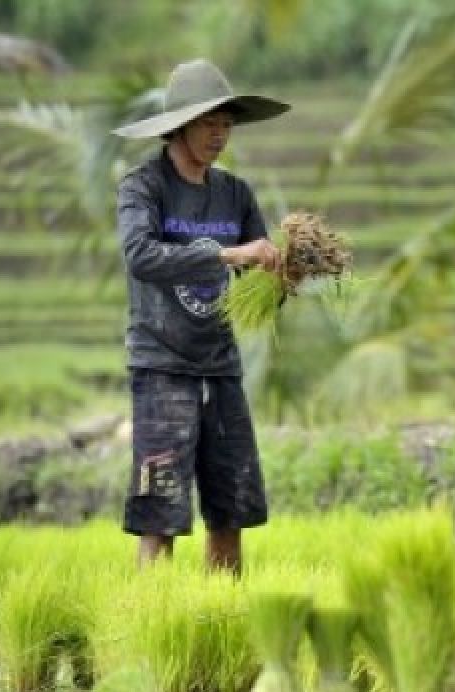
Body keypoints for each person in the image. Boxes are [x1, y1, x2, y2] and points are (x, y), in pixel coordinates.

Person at [113, 59, 290, 575]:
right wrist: (227, 254)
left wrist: (283, 273)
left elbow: (258, 285)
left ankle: (223, 626)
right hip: (162, 365)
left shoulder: (236, 193)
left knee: (230, 509)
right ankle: (153, 626)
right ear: (180, 126)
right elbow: (140, 256)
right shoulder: (143, 187)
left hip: (220, 366)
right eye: (209, 123)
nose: (219, 134)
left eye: (226, 124)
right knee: (159, 513)